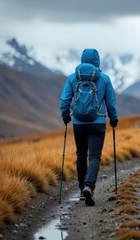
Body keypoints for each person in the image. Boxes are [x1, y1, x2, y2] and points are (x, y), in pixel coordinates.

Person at [60, 48, 118, 206]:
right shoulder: (104, 78)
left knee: (80, 155)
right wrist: (113, 118)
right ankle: (88, 186)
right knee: (94, 157)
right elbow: (110, 102)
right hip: (97, 123)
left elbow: (65, 99)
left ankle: (81, 190)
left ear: (82, 59)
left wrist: (65, 115)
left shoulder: (73, 78)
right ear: (97, 61)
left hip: (79, 123)